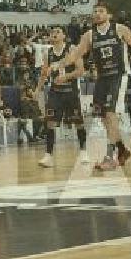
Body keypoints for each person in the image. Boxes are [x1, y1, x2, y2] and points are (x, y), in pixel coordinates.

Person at [52, 2, 131, 171]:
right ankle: (122, 150)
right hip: (102, 78)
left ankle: (109, 156)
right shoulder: (89, 35)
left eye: (101, 11)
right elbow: (75, 54)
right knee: (102, 116)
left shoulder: (119, 29)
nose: (97, 14)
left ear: (108, 15)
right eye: (95, 12)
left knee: (109, 113)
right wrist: (59, 65)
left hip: (118, 75)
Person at [34, 26, 89, 168]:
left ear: (64, 36)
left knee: (78, 122)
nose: (54, 34)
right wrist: (37, 90)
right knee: (50, 122)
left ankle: (83, 151)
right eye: (52, 32)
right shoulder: (48, 53)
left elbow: (81, 71)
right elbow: (44, 74)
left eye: (58, 32)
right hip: (55, 92)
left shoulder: (72, 49)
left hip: (71, 91)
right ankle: (48, 155)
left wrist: (66, 77)